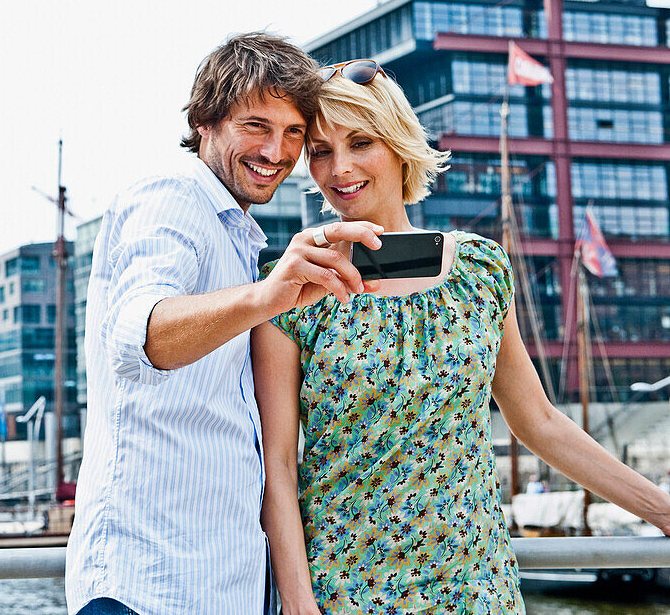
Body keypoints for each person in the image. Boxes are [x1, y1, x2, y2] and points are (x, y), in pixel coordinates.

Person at [252, 59, 670, 614]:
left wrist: (662, 510)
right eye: (322, 151)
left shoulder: (478, 270)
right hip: (347, 590)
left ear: (399, 144)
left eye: (360, 143)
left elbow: (538, 422)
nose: (340, 169)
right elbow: (277, 465)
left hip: (475, 586)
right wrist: (301, 606)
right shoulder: (290, 284)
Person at [65, 34, 384, 615]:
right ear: (206, 122)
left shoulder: (237, 233)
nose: (277, 151)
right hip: (148, 587)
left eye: (293, 134)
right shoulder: (174, 197)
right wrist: (268, 296)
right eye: (256, 126)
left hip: (212, 586)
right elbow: (141, 334)